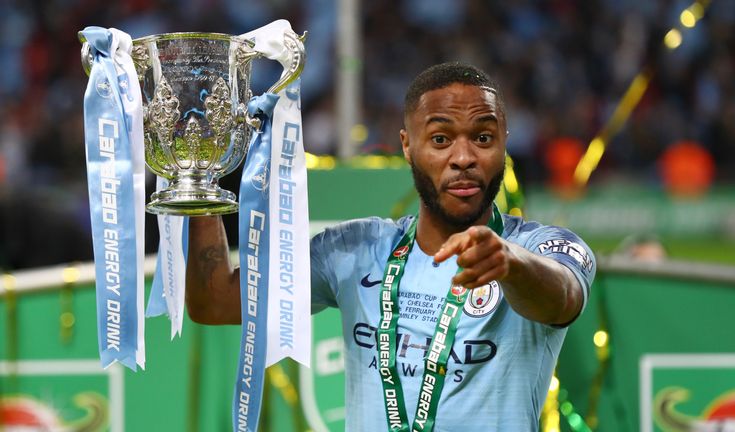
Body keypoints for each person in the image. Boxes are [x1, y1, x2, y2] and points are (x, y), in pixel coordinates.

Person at [185, 62, 596, 431]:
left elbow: (562, 298)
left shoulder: (541, 247)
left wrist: (511, 263)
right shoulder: (355, 249)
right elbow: (214, 301)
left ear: (504, 143)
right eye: (440, 139)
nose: (464, 157)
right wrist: (198, 173)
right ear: (406, 145)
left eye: (483, 137)